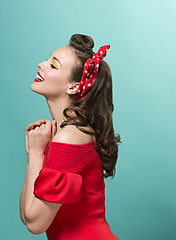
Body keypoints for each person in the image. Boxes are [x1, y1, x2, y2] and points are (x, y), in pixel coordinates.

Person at [19, 33, 121, 240]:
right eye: (47, 60)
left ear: (73, 86)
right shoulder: (71, 131)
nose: (41, 64)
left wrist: (36, 154)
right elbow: (26, 216)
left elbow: (35, 223)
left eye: (53, 66)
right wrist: (35, 153)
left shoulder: (70, 138)